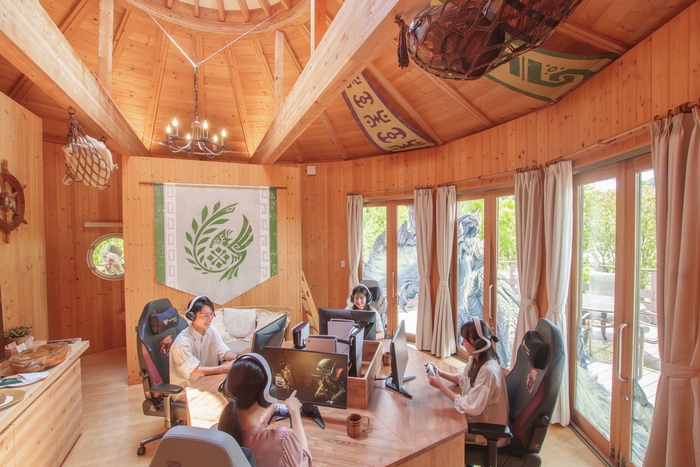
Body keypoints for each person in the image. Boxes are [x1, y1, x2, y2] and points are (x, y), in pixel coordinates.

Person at [426, 316, 509, 447]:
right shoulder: (476, 358)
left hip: (486, 433)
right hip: (478, 420)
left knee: (439, 430)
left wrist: (440, 386)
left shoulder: (488, 372)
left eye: (465, 341)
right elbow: (463, 379)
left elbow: (470, 406)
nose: (461, 344)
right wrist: (440, 373)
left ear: (479, 344)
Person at [218, 354, 312, 467]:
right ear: (266, 395)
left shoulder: (216, 434)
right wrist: (295, 412)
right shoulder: (282, 440)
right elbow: (305, 461)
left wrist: (261, 424)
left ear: (226, 389)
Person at [169, 295, 237, 390]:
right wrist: (223, 368)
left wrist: (240, 357)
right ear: (192, 316)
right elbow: (193, 371)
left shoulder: (212, 330)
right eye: (205, 315)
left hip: (208, 381)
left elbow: (223, 351)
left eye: (211, 314)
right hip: (187, 389)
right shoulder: (182, 342)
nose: (209, 319)